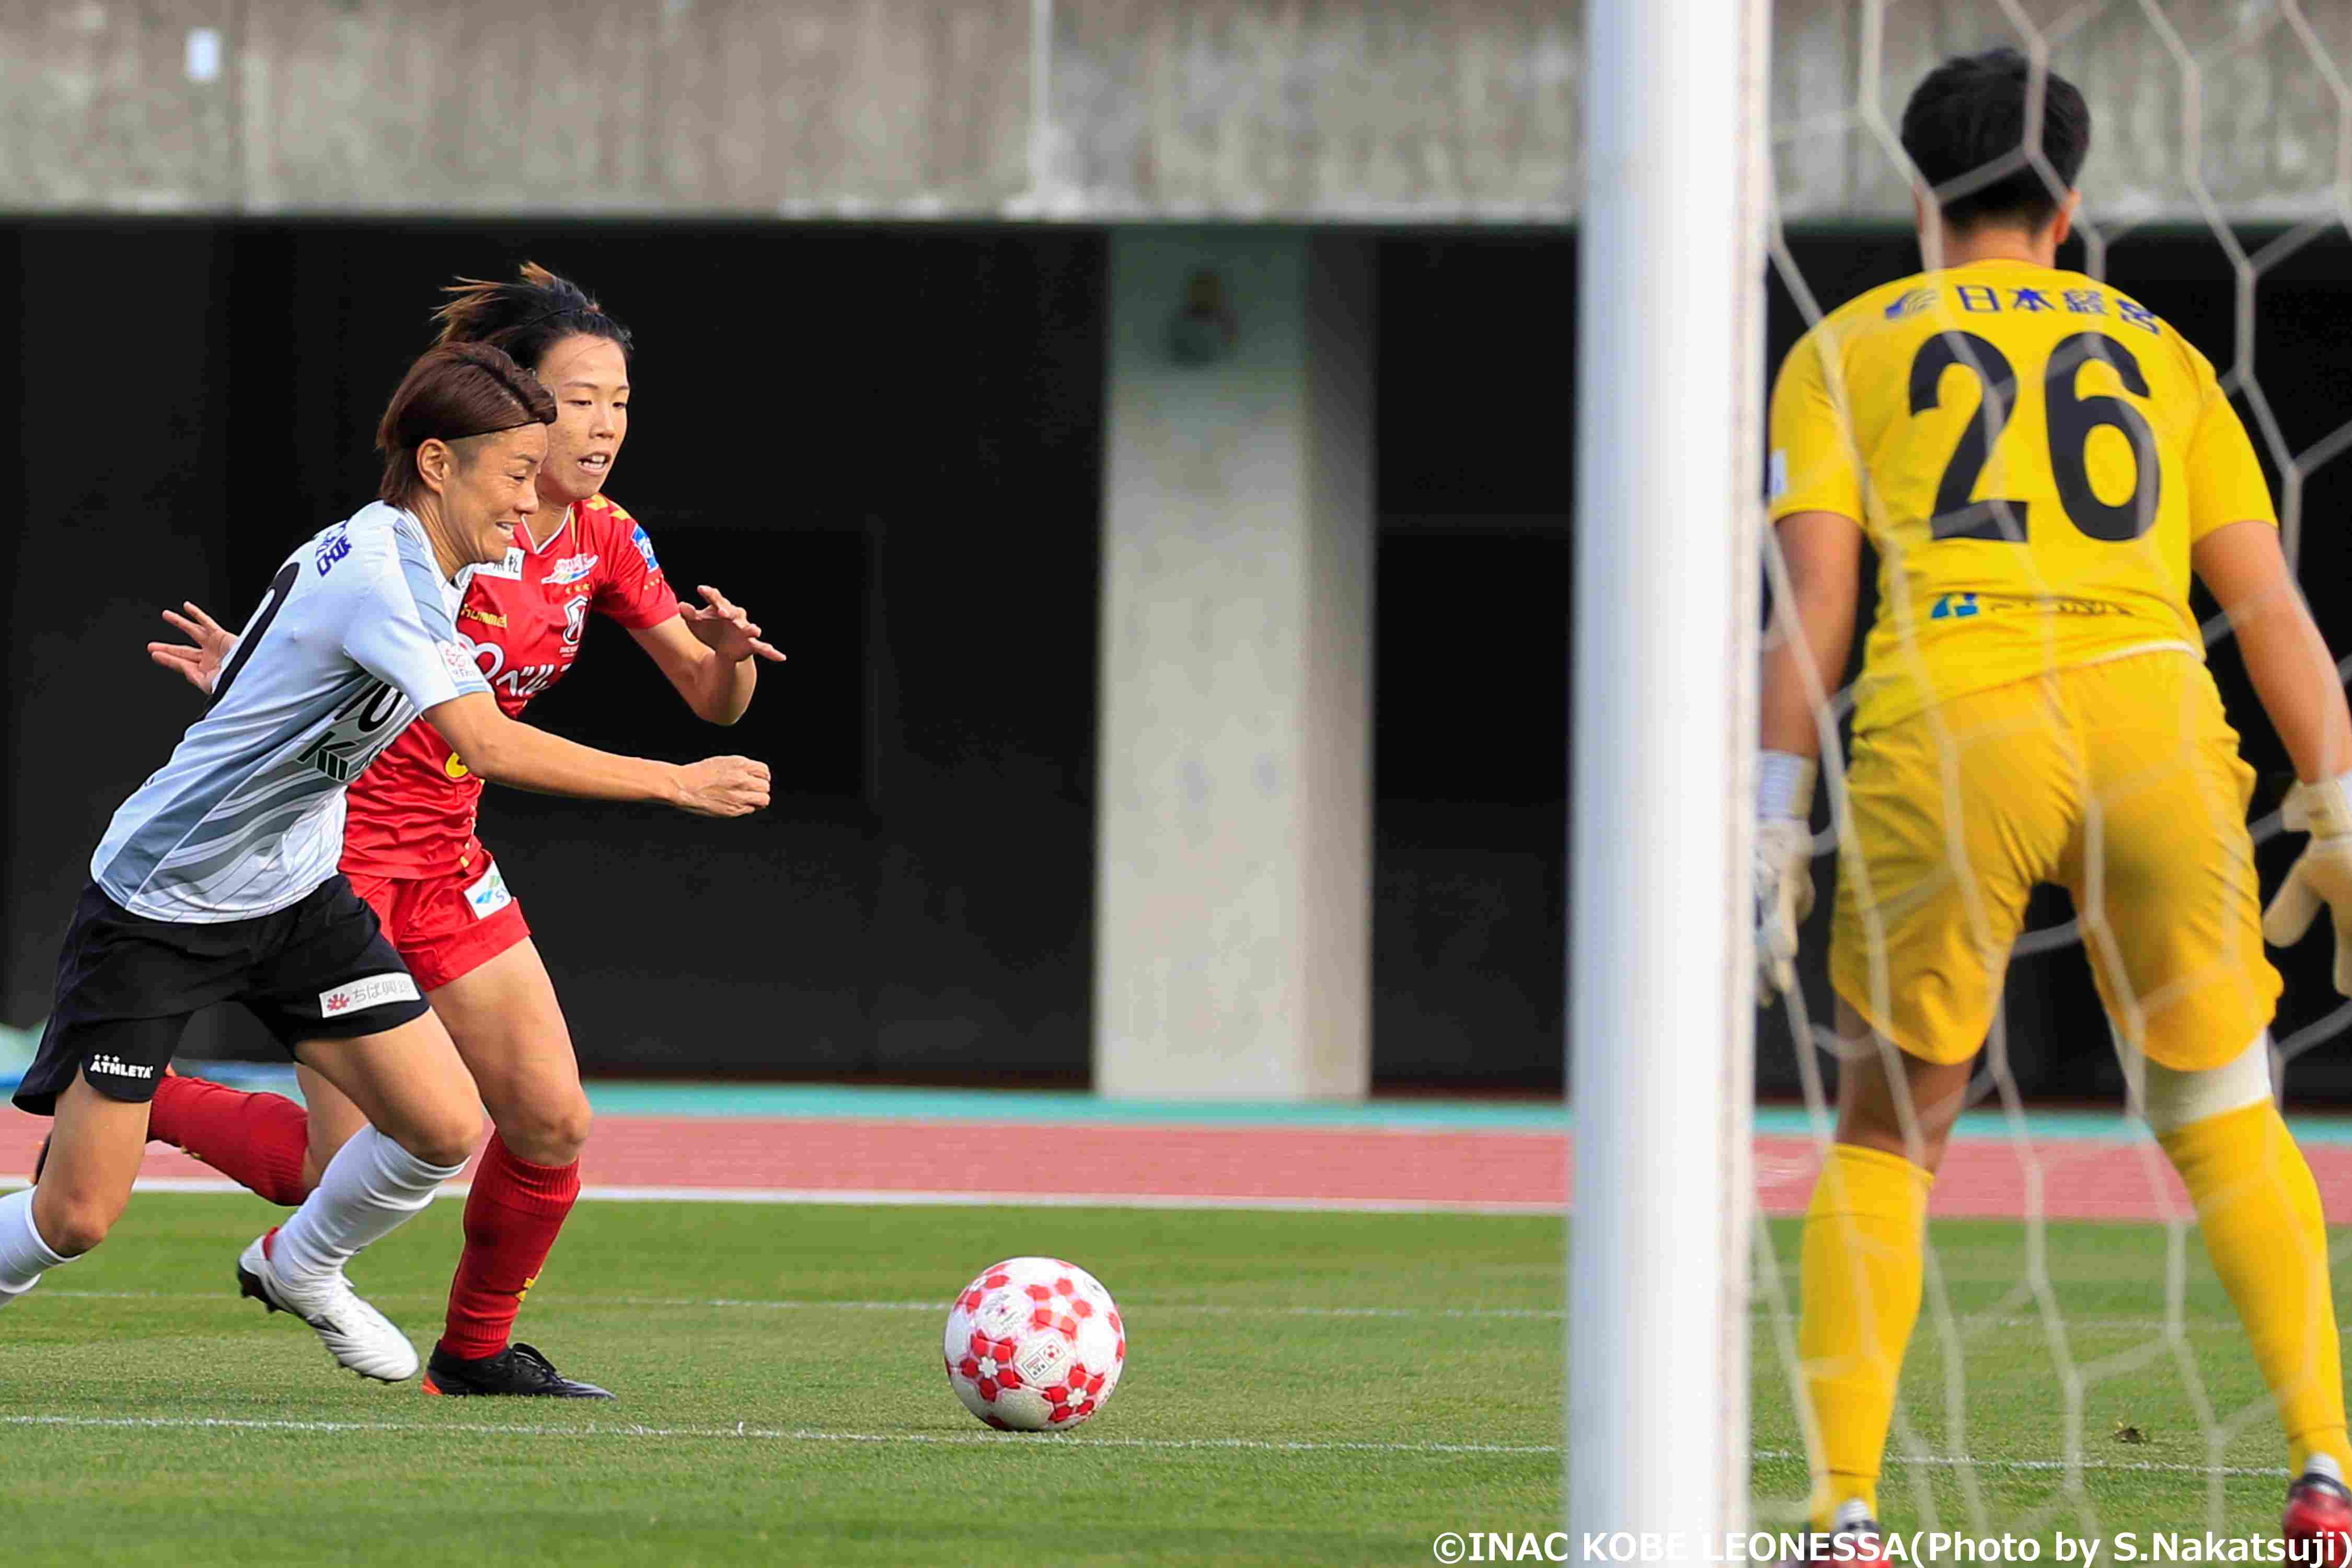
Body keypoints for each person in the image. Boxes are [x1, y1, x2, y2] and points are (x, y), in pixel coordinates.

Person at [1755, 49, 2352, 1557]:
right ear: (2070, 201)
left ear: (1916, 196)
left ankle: (1842, 1513)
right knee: (2220, 1109)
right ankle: (2325, 1472)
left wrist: (1768, 812)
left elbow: (1808, 609)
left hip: (1954, 724)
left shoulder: (1845, 346)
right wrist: (2335, 800)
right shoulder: (2157, 348)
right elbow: (2267, 604)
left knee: (1891, 1127)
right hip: (2153, 716)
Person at [1, 343, 769, 1385]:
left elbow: (297, 644)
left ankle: (307, 1268)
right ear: (441, 465)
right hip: (166, 901)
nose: (529, 496)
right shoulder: (386, 577)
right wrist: (678, 783)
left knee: (446, 1125)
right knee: (77, 1219)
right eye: (514, 473)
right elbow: (487, 742)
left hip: (301, 890)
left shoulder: (418, 557)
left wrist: (266, 676)